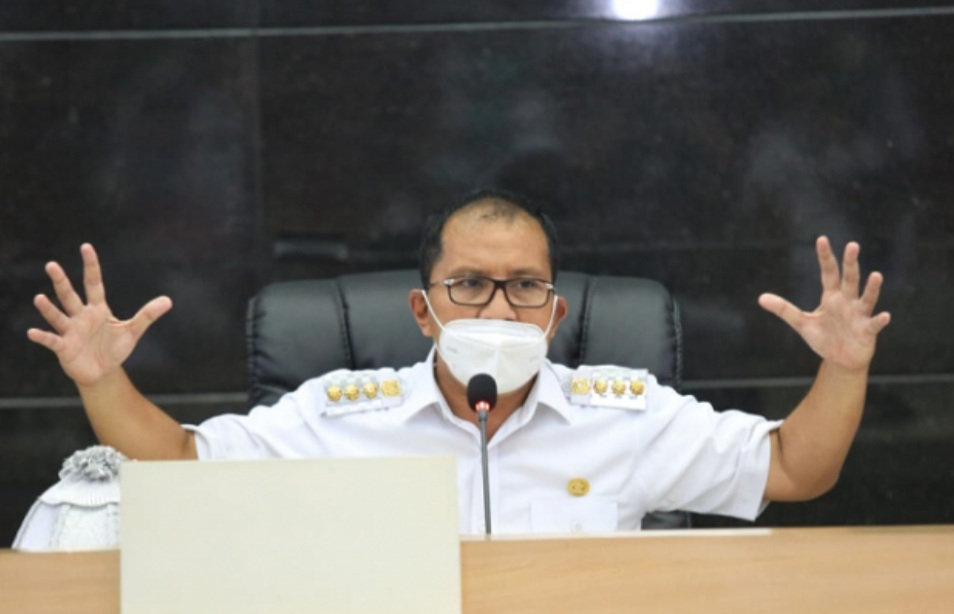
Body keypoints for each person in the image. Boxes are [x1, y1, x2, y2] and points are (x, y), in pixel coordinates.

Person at [28, 190, 891, 534]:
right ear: (424, 310)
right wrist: (103, 379)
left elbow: (794, 467)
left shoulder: (624, 414)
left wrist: (844, 367)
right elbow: (181, 463)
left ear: (556, 313)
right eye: (470, 285)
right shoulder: (339, 413)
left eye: (526, 288)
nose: (499, 309)